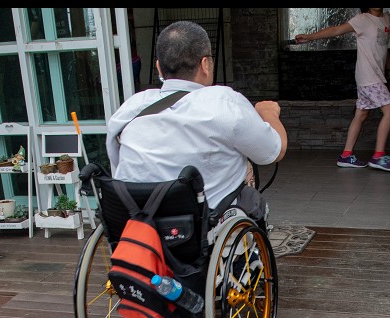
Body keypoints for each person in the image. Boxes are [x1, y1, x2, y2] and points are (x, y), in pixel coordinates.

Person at [106, 20, 287, 229]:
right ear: (205, 64)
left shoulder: (131, 107)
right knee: (252, 200)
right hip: (199, 229)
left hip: (137, 226)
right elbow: (275, 151)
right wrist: (268, 113)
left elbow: (118, 163)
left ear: (158, 67)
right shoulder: (225, 103)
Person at [294, 8, 390, 172]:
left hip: (375, 76)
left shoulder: (386, 19)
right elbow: (336, 30)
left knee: (361, 114)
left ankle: (346, 155)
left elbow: (382, 47)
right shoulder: (363, 20)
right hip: (368, 77)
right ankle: (378, 156)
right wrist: (309, 37)